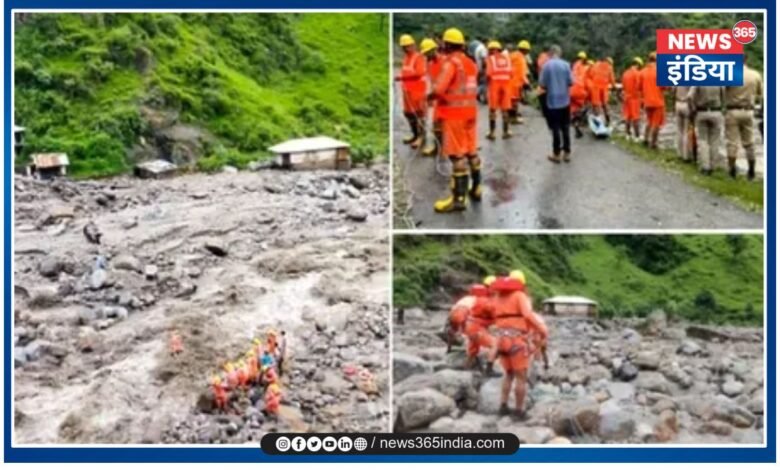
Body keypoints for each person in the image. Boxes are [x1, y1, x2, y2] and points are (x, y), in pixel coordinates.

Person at [430, 27, 480, 213]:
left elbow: (439, 89)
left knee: (457, 156)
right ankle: (476, 188)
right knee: (471, 152)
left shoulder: (451, 63)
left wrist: (429, 96)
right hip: (470, 113)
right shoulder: (470, 63)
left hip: (454, 115)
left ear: (448, 44)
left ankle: (459, 200)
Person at [488, 271, 548, 418]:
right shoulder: (520, 296)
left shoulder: (497, 297)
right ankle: (519, 411)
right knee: (521, 377)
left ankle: (503, 406)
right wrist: (542, 330)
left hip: (501, 341)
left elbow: (494, 317)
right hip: (516, 341)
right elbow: (528, 315)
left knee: (508, 375)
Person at [724, 57, 763, 179]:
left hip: (733, 110)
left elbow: (723, 90)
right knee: (749, 142)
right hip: (749, 111)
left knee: (732, 142)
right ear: (746, 61)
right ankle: (751, 170)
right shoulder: (755, 75)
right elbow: (759, 93)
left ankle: (731, 171)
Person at [539, 45, 574, 163]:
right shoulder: (566, 65)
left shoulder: (546, 66)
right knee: (565, 127)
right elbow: (571, 82)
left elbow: (542, 84)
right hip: (565, 101)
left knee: (555, 128)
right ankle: (567, 153)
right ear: (559, 53)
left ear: (550, 53)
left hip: (552, 102)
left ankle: (556, 154)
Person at [396, 34, 427, 149]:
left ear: (413, 45)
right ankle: (414, 134)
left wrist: (402, 78)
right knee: (408, 114)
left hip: (417, 92)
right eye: (403, 47)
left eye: (407, 46)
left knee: (419, 115)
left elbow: (419, 73)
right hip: (407, 92)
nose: (405, 49)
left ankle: (421, 137)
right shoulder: (406, 58)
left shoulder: (419, 57)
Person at [687, 85, 725, 175]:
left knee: (702, 140)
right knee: (715, 141)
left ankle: (705, 166)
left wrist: (693, 109)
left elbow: (689, 97)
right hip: (716, 112)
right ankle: (713, 165)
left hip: (701, 112)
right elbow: (724, 96)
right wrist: (723, 107)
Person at [420, 38, 444, 157]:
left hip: (447, 98)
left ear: (434, 50)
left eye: (427, 53)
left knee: (447, 125)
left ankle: (445, 149)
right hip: (437, 97)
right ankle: (438, 148)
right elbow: (431, 81)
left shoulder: (445, 62)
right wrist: (430, 96)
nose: (425, 55)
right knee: (436, 124)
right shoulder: (429, 64)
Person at [486, 41, 514, 140]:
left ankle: (492, 133)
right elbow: (511, 73)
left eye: (489, 50)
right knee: (505, 109)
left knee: (492, 109)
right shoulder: (507, 58)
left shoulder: (491, 59)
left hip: (495, 86)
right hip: (506, 86)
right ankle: (505, 132)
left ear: (492, 49)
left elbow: (488, 74)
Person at [638, 52, 666, 149]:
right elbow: (665, 87)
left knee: (649, 121)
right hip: (658, 101)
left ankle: (645, 139)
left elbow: (639, 87)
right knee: (656, 124)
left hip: (647, 101)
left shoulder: (642, 72)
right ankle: (653, 143)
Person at [621, 57, 643, 141]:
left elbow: (623, 86)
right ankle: (637, 136)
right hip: (635, 98)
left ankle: (627, 134)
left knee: (627, 117)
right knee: (636, 118)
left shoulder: (625, 73)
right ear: (638, 65)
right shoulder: (637, 73)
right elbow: (639, 86)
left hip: (626, 98)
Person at [509, 41, 530, 125]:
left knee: (510, 101)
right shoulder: (521, 58)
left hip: (509, 81)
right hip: (516, 83)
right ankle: (513, 119)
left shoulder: (512, 55)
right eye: (527, 51)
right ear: (525, 50)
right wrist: (527, 83)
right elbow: (522, 73)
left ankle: (510, 117)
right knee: (514, 102)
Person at [591, 55, 616, 125]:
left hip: (595, 87)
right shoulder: (609, 67)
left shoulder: (595, 65)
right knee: (605, 104)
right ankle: (608, 120)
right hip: (604, 88)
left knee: (596, 105)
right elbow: (612, 79)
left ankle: (597, 120)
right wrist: (614, 87)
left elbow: (591, 75)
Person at [674, 85, 692, 160]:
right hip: (686, 104)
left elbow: (673, 90)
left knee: (679, 130)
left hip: (678, 103)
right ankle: (686, 155)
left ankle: (679, 153)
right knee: (686, 131)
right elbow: (691, 95)